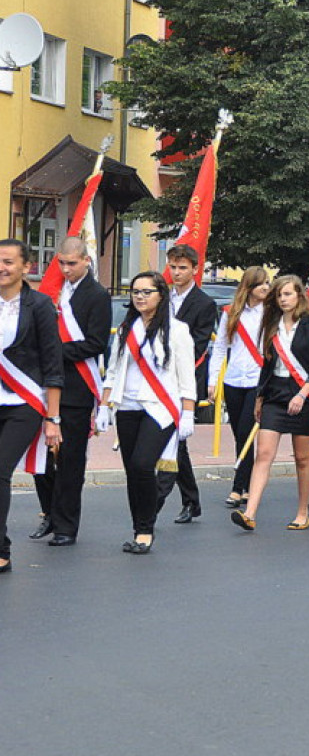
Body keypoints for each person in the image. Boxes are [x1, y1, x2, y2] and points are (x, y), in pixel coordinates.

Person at [98, 272, 196, 554]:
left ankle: (146, 527)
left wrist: (188, 412)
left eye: (146, 292)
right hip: (128, 406)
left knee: (143, 464)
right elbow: (114, 371)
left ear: (161, 296)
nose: (139, 297)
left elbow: (186, 377)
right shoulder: (126, 328)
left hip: (161, 409)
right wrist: (105, 406)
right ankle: (139, 526)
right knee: (133, 471)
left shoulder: (177, 331)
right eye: (135, 292)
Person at [230, 276, 309, 531]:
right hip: (275, 395)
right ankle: (250, 513)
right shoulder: (271, 325)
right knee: (263, 453)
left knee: (302, 458)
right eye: (279, 295)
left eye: (288, 294)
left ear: (299, 296)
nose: (283, 299)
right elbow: (267, 363)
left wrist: (302, 394)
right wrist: (260, 397)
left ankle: (303, 512)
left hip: (302, 395)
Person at [31, 237, 111, 547]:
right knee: (39, 457)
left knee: (70, 460)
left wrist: (53, 352)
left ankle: (66, 526)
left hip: (76, 389)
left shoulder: (98, 295)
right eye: (61, 263)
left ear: (86, 261)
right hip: (44, 385)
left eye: (72, 263)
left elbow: (95, 343)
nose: (66, 269)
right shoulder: (54, 289)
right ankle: (49, 514)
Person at [0, 239, 63, 574]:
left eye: (9, 262)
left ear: (26, 267)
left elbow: (53, 363)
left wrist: (52, 417)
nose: (1, 267)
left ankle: (1, 550)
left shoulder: (39, 305)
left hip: (23, 403)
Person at [156, 244, 218, 524]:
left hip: (183, 380)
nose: (177, 273)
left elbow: (198, 344)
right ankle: (191, 501)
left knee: (174, 441)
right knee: (175, 442)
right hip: (156, 379)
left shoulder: (204, 304)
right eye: (173, 267)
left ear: (195, 270)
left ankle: (155, 503)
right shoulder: (162, 297)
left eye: (183, 268)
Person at [207, 266, 270, 508]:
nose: (266, 287)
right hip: (233, 380)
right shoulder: (231, 312)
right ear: (249, 287)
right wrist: (212, 381)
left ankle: (237, 486)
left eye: (267, 283)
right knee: (239, 434)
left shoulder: (270, 313)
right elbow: (220, 347)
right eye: (260, 283)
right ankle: (246, 485)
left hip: (257, 380)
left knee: (246, 431)